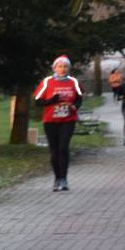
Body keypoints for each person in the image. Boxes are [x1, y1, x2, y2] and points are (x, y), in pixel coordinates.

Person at [33, 55, 83, 191]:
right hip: (50, 121)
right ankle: (57, 178)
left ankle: (64, 179)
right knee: (54, 151)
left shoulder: (74, 82)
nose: (62, 69)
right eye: (60, 66)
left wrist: (75, 106)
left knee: (63, 148)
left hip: (68, 120)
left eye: (65, 66)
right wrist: (51, 101)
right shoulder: (47, 82)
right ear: (54, 68)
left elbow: (79, 97)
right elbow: (37, 101)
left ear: (69, 68)